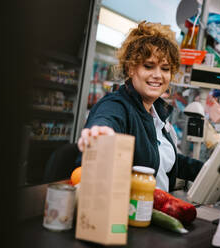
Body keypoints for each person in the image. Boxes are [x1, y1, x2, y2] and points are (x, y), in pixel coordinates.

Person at [78, 21, 203, 192]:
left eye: (165, 69)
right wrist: (100, 133)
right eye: (148, 66)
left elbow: (164, 160)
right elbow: (106, 119)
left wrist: (211, 169)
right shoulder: (117, 105)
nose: (158, 75)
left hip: (158, 209)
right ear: (130, 69)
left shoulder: (158, 113)